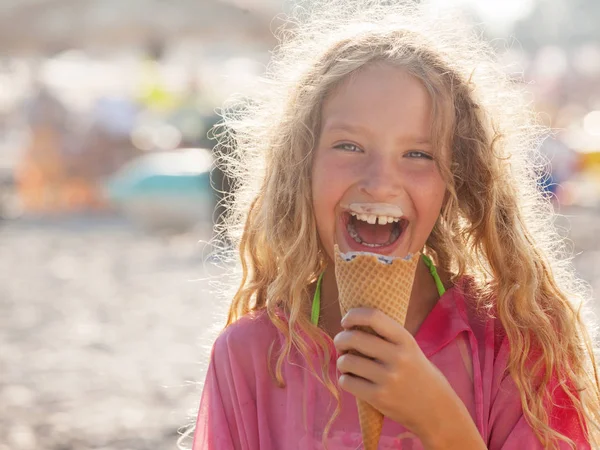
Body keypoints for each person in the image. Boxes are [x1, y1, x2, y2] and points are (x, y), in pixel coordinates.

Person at [190, 1, 600, 449]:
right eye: (348, 146)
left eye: (419, 154)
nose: (381, 182)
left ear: (457, 179)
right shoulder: (248, 355)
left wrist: (441, 422)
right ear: (300, 168)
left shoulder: (518, 348)